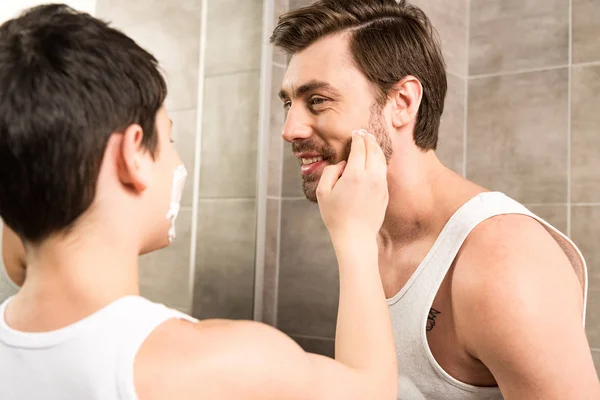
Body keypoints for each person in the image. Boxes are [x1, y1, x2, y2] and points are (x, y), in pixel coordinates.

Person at [0, 4, 397, 399]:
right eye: (168, 138)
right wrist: (356, 238)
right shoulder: (222, 365)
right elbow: (373, 391)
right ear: (132, 156)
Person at [271, 0, 600, 398]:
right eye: (289, 103)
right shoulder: (362, 230)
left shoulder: (503, 259)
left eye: (317, 100)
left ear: (403, 103)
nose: (290, 129)